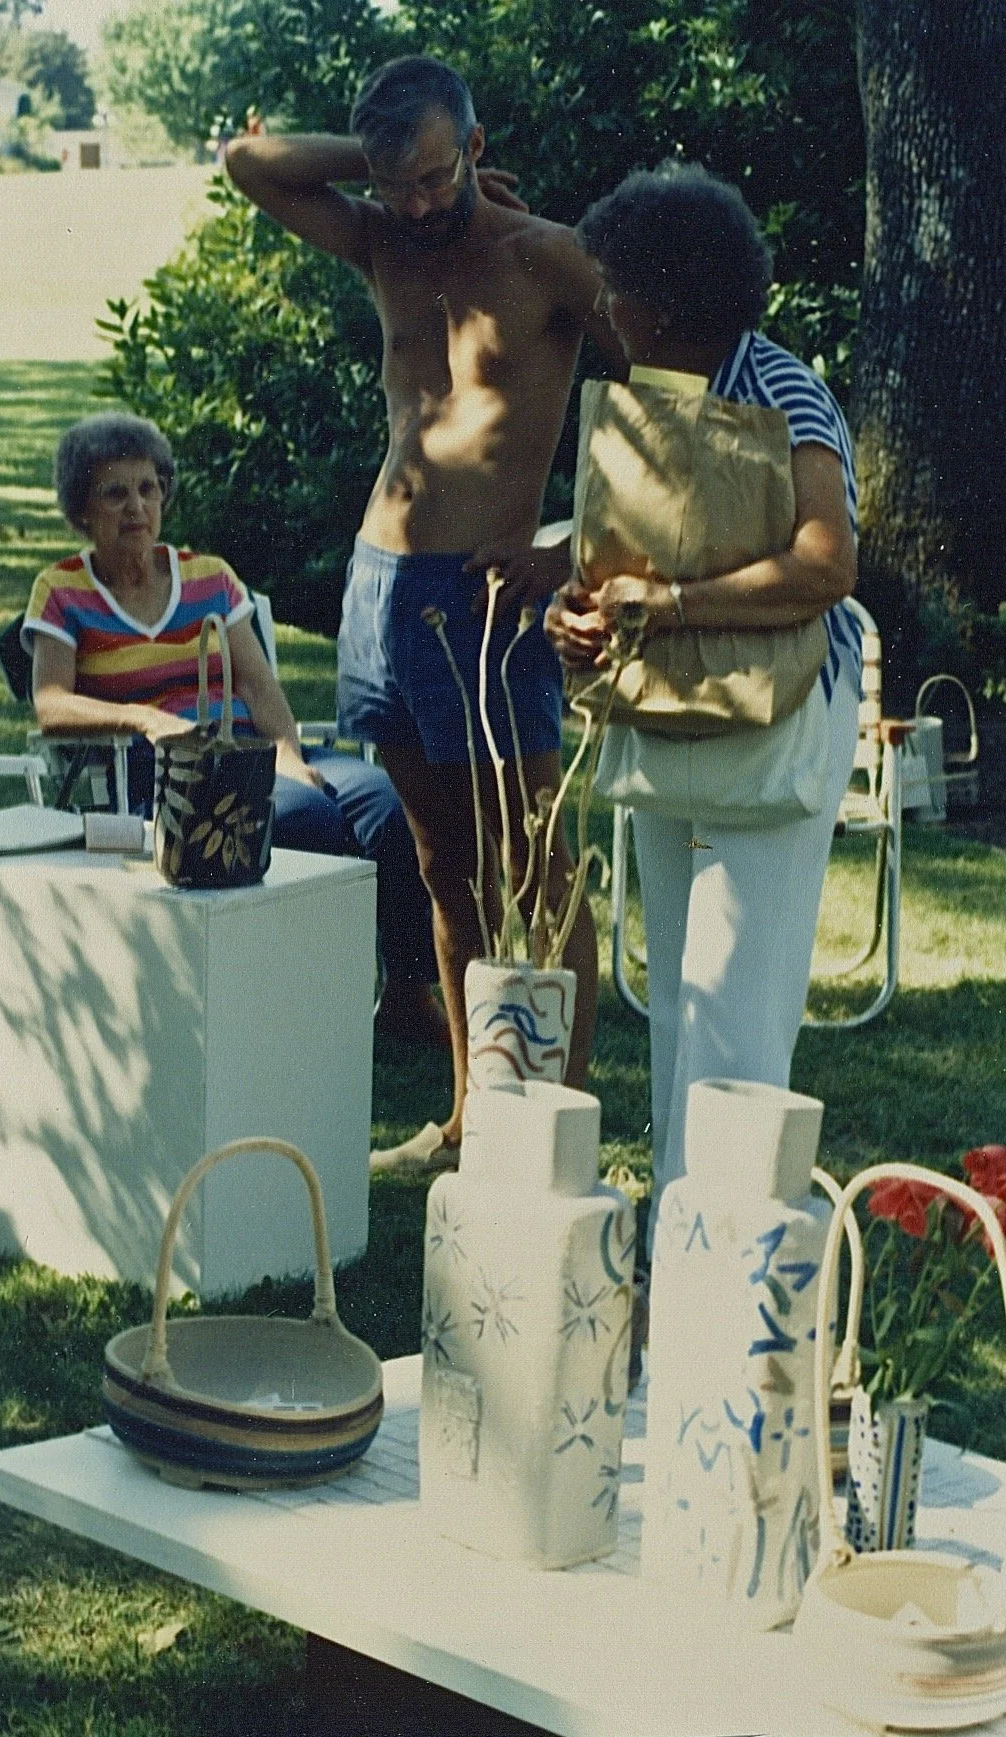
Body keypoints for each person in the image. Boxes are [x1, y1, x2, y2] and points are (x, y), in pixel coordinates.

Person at [226, 55, 622, 1166]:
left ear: (478, 149)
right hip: (380, 591)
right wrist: (388, 159)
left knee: (534, 872)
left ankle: (559, 1135)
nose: (415, 204)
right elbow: (248, 163)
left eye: (436, 176)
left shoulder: (546, 258)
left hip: (486, 599)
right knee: (442, 862)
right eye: (398, 183)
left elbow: (666, 404)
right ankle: (463, 1122)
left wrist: (573, 544)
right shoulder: (383, 237)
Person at [545, 161, 862, 1246]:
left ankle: (725, 1259)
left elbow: (827, 567)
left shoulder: (780, 389)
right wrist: (585, 619)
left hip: (771, 728)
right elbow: (618, 571)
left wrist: (666, 604)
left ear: (664, 298)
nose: (600, 302)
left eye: (613, 283)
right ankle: (683, 1245)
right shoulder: (647, 406)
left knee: (737, 1012)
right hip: (675, 723)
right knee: (678, 1006)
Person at [22, 410, 446, 1046]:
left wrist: (287, 753)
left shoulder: (208, 577)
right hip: (161, 773)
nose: (136, 506)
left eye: (147, 489)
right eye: (115, 492)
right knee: (305, 815)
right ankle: (312, 1008)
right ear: (82, 508)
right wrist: (143, 717)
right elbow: (51, 702)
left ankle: (409, 1001)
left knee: (386, 806)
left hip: (249, 745)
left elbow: (256, 682)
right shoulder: (61, 591)